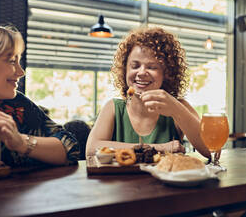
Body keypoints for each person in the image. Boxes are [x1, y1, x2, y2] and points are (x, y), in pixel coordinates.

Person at [0, 18, 79, 167]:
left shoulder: (16, 106)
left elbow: (71, 150)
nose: (21, 72)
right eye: (11, 60)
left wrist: (20, 142)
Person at [86, 26, 210, 159]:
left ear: (166, 74)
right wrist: (158, 148)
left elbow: (211, 150)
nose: (141, 73)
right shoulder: (114, 108)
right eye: (135, 66)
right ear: (125, 70)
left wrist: (177, 110)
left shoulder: (178, 107)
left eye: (152, 67)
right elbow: (91, 149)